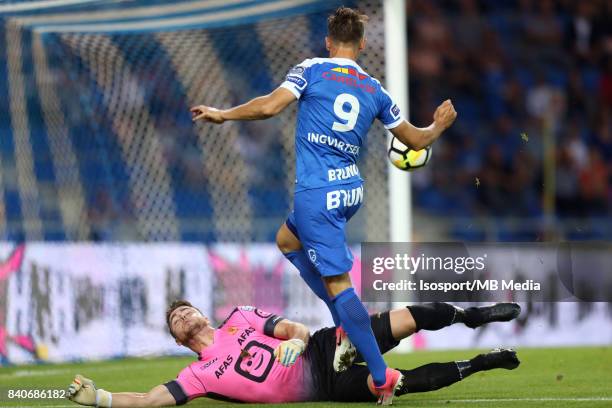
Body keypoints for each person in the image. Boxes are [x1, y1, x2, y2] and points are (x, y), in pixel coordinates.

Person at [189, 6, 457, 404]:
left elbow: (268, 107)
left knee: (339, 287)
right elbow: (416, 141)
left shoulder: (312, 69)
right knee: (287, 241)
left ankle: (379, 373)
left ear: (329, 41)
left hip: (317, 196)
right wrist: (438, 125)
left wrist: (223, 114)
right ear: (363, 44)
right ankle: (347, 324)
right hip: (349, 191)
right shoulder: (374, 88)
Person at [66, 301, 520, 407]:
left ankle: (471, 316)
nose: (184, 316)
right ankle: (482, 362)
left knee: (403, 319)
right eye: (176, 319)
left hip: (323, 346)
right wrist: (100, 398)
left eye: (187, 308)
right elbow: (147, 401)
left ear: (202, 313)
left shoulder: (239, 318)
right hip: (324, 384)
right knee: (394, 382)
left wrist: (296, 342)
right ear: (178, 338)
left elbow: (292, 328)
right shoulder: (197, 375)